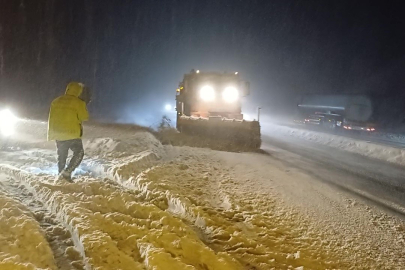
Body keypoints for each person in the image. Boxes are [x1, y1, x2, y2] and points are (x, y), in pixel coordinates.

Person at [48, 82, 90, 181]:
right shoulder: (78, 102)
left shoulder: (56, 101)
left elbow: (52, 117)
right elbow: (84, 117)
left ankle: (60, 174)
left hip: (58, 133)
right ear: (78, 91)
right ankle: (67, 173)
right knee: (79, 153)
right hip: (72, 133)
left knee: (62, 156)